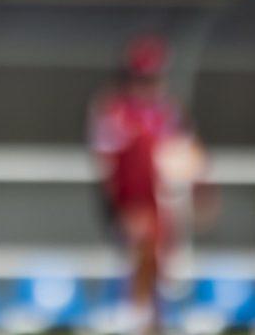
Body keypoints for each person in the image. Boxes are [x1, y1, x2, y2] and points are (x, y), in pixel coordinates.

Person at [89, 36, 207, 332]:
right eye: (143, 78)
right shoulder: (114, 112)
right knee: (140, 262)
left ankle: (153, 321)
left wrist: (198, 191)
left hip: (167, 207)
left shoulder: (169, 112)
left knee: (164, 275)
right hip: (133, 205)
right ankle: (138, 317)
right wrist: (121, 210)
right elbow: (108, 166)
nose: (149, 85)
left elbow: (190, 156)